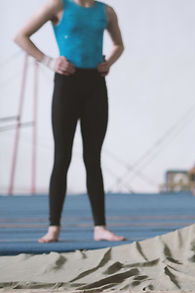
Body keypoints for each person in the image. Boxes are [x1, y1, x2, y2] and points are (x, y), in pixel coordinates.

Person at [14, 0, 125, 242]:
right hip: (67, 84)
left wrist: (109, 62)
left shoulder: (106, 11)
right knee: (62, 156)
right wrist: (49, 61)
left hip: (95, 85)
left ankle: (100, 227)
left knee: (93, 157)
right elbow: (21, 36)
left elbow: (118, 45)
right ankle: (53, 227)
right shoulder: (57, 6)